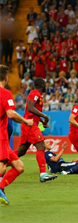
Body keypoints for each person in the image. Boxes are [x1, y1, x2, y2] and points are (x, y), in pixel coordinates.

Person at [0, 65, 34, 205]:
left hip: (4, 139)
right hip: (1, 136)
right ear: (6, 78)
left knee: (19, 166)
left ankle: (0, 189)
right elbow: (11, 113)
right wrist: (26, 121)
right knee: (1, 168)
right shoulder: (5, 93)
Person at [15, 78, 58, 183]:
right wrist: (43, 115)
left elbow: (32, 111)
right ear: (43, 85)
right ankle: (43, 173)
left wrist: (42, 121)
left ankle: (1, 168)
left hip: (29, 124)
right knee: (41, 146)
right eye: (46, 84)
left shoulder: (37, 95)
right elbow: (30, 107)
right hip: (30, 125)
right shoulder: (35, 93)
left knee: (21, 151)